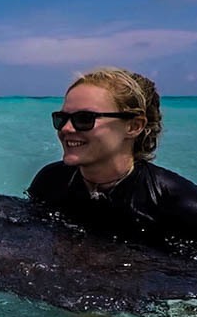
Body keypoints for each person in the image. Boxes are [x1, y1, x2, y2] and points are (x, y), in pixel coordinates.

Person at [27, 67, 197, 244]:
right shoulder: (50, 181)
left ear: (133, 126)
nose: (66, 128)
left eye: (85, 118)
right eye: (62, 118)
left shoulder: (178, 203)